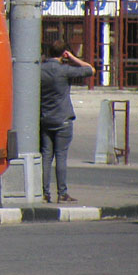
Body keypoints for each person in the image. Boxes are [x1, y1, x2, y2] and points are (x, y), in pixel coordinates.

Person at [40, 40, 94, 203]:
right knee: (61, 156)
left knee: (46, 156)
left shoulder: (39, 70)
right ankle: (62, 192)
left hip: (45, 119)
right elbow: (90, 69)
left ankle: (44, 192)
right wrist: (72, 57)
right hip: (62, 119)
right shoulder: (65, 70)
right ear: (64, 53)